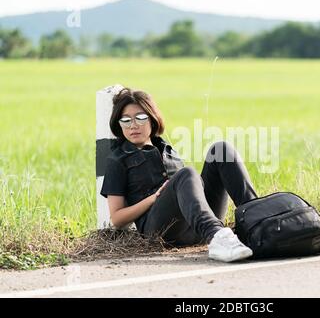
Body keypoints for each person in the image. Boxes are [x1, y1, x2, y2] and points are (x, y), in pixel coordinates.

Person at [100, 87, 258, 262]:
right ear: (119, 124)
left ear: (152, 120)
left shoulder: (168, 150)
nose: (133, 125)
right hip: (161, 232)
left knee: (221, 150)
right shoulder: (118, 159)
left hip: (194, 225)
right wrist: (152, 199)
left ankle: (258, 224)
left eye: (140, 118)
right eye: (126, 120)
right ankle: (217, 236)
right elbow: (117, 218)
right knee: (187, 173)